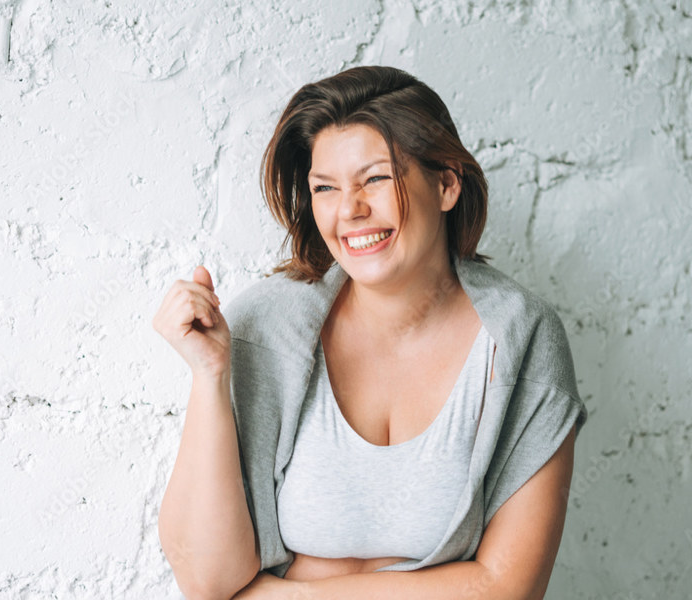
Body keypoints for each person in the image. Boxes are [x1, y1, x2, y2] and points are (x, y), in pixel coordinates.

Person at [155, 66, 588, 600]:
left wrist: (286, 597)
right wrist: (209, 373)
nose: (349, 210)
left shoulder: (521, 341)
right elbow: (207, 580)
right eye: (325, 188)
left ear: (446, 183)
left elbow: (508, 586)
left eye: (376, 178)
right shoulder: (263, 328)